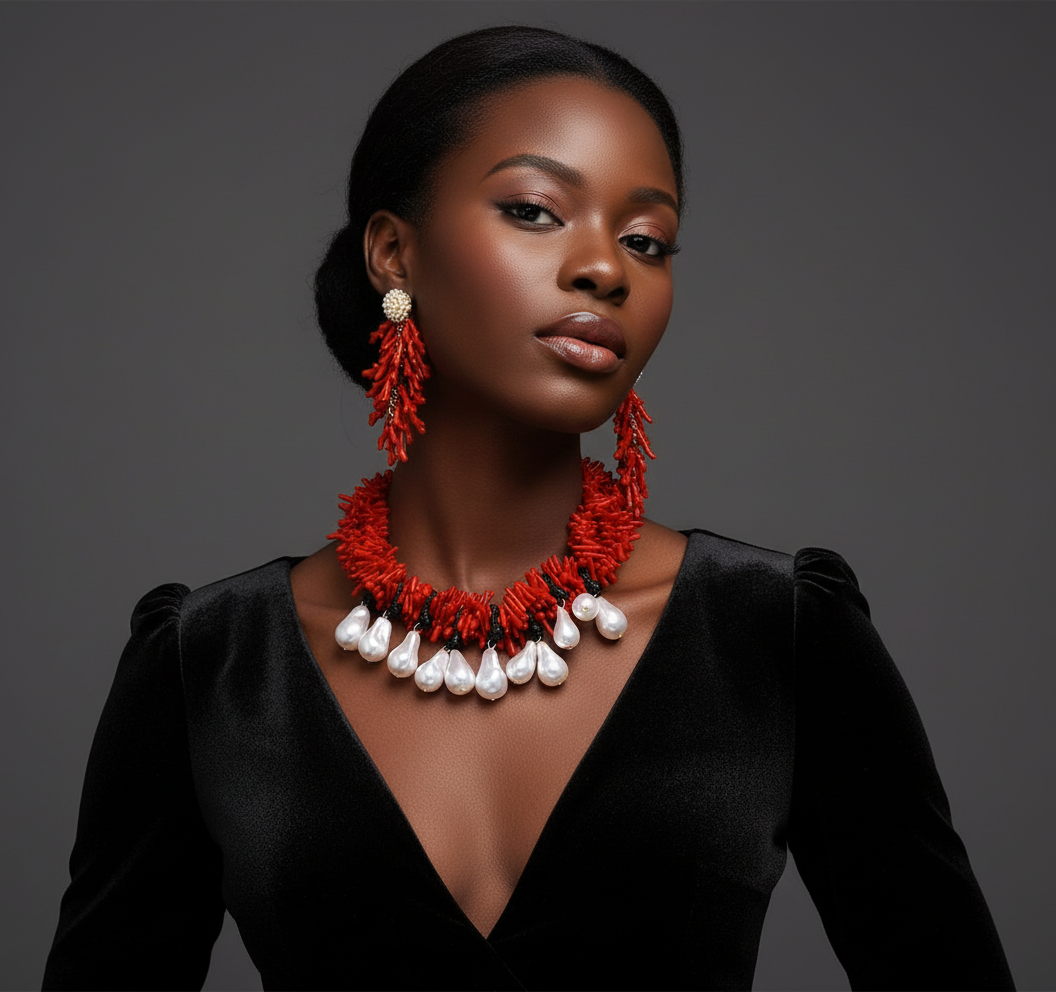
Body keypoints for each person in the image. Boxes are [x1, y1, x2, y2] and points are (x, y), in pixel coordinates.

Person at [42, 25, 1014, 992]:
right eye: (536, 210)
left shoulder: (776, 633)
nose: (608, 268)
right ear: (393, 254)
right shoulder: (211, 663)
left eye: (647, 239)